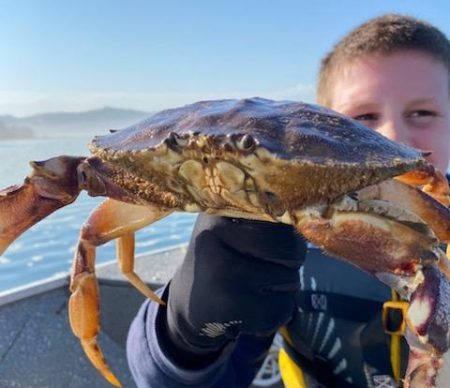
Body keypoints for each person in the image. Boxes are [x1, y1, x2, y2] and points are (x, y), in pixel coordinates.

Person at [126, 14, 450, 387]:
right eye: (363, 116)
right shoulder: (278, 240)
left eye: (422, 113)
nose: (394, 135)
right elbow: (178, 380)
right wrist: (183, 336)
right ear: (322, 129)